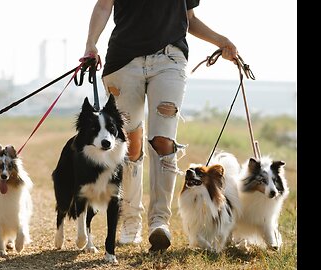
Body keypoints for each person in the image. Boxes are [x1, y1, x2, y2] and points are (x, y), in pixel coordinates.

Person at [83, 0, 238, 252]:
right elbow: (103, 5)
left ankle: (159, 222)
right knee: (130, 144)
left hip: (170, 59)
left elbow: (190, 19)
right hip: (124, 61)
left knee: (163, 140)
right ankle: (131, 219)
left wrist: (223, 41)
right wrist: (91, 44)